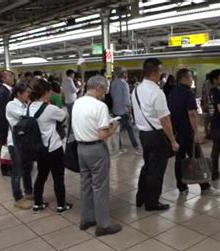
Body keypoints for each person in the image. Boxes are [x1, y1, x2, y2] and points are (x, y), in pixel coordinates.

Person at [72, 75, 122, 236]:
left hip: (80, 149)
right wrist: (114, 127)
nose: (105, 93)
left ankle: (86, 219)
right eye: (105, 90)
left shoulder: (77, 102)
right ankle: (103, 224)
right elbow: (102, 134)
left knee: (85, 184)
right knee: (100, 187)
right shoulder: (100, 106)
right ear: (99, 88)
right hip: (96, 150)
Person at [132, 58, 179, 211]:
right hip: (157, 136)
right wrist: (172, 140)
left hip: (143, 135)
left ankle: (141, 197)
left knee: (147, 166)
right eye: (160, 71)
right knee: (157, 170)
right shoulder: (157, 92)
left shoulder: (136, 90)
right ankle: (152, 202)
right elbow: (165, 120)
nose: (161, 74)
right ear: (154, 72)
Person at [168, 68, 220, 196]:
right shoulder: (188, 93)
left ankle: (182, 187)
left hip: (177, 132)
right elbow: (192, 113)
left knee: (179, 160)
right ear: (184, 78)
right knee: (198, 159)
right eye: (190, 77)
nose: (192, 80)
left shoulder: (172, 92)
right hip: (188, 132)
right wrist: (196, 132)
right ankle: (205, 187)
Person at [27, 79, 72, 214]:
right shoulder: (50, 108)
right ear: (45, 92)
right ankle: (61, 205)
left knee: (41, 176)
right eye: (49, 91)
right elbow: (64, 115)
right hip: (53, 148)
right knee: (58, 177)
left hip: (38, 148)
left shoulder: (29, 107)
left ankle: (37, 203)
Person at [6, 83, 33, 209]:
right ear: (18, 94)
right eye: (26, 92)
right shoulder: (12, 105)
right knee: (17, 171)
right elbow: (26, 117)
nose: (28, 94)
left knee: (28, 167)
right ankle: (18, 198)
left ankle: (28, 192)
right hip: (15, 143)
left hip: (25, 141)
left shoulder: (25, 104)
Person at [110, 67, 141, 154]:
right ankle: (137, 147)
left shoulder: (113, 83)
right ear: (123, 74)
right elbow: (127, 101)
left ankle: (119, 147)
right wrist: (130, 112)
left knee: (118, 129)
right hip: (123, 110)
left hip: (115, 110)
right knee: (130, 129)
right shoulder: (124, 84)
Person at [0, 70, 15, 176]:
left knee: (8, 144)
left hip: (6, 123)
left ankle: (9, 164)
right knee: (4, 145)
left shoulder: (9, 90)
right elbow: (4, 111)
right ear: (3, 79)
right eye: (10, 76)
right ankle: (5, 168)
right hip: (3, 124)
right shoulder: (2, 92)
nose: (12, 78)